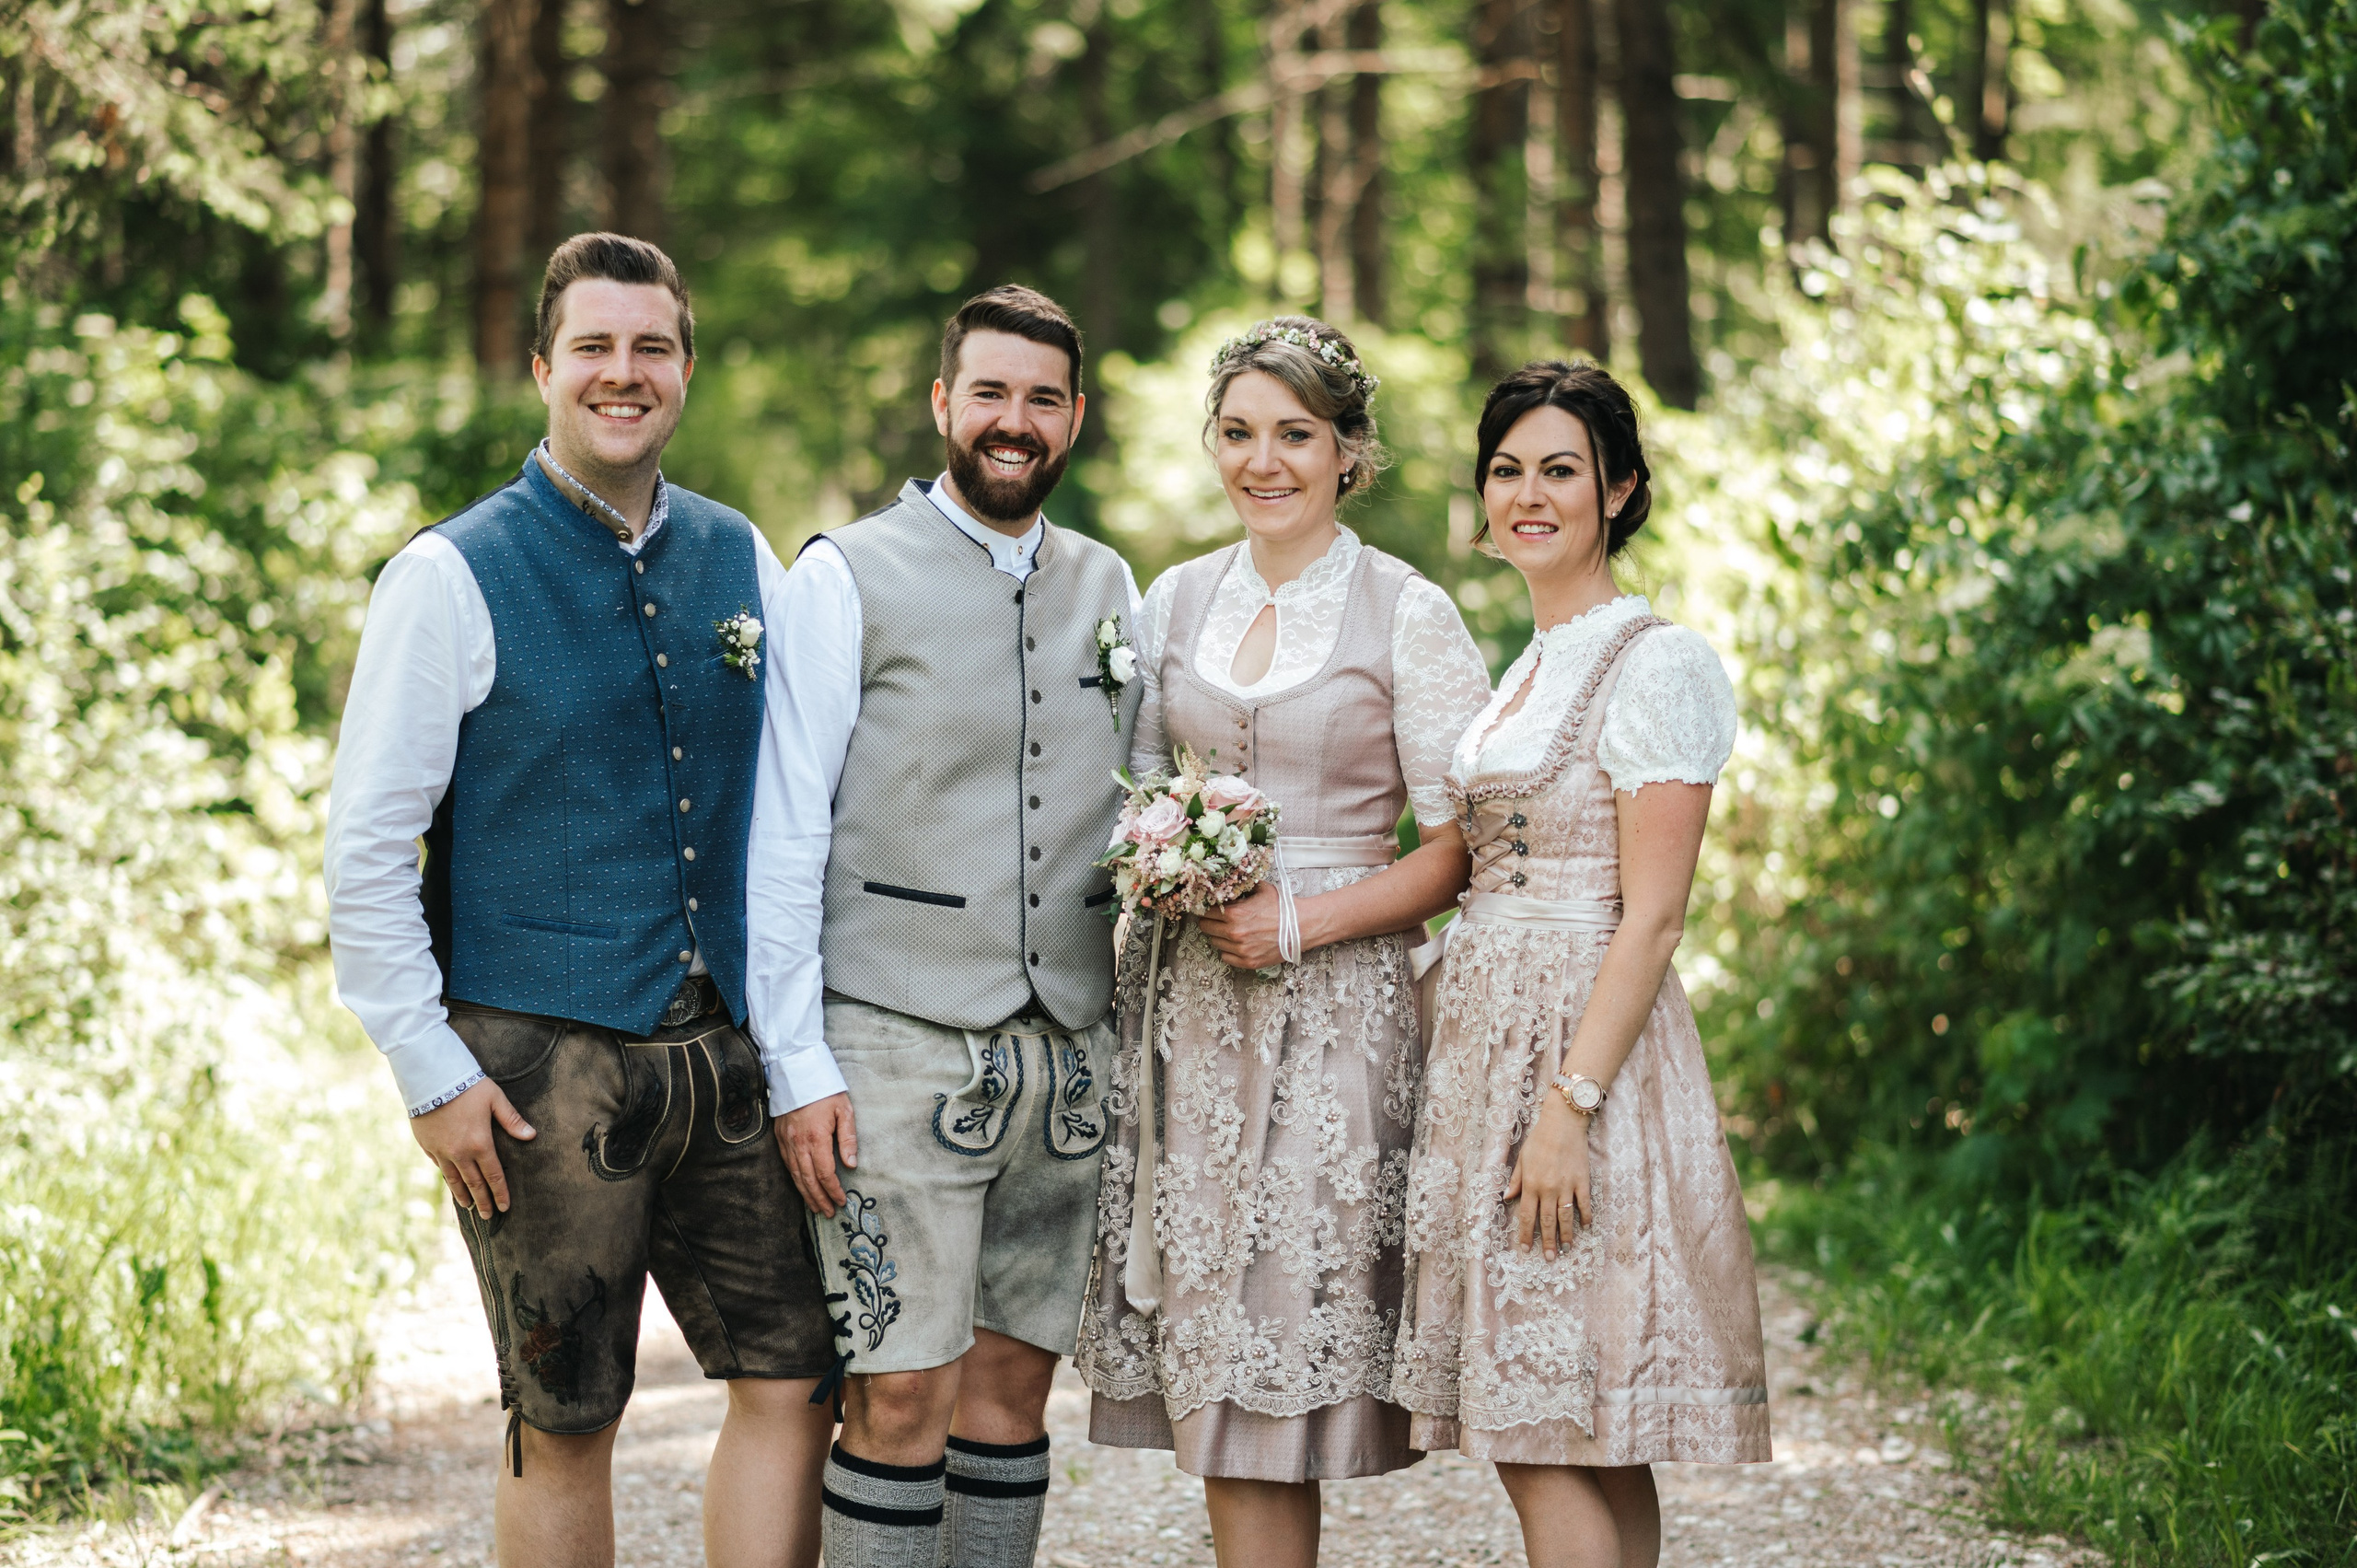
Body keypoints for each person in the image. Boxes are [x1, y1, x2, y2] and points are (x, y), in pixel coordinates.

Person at [323, 233, 837, 1568]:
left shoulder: (742, 557)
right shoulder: (448, 575)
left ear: (684, 370)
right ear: (545, 367)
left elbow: (799, 806)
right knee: (566, 1419)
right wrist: (427, 1068)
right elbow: (369, 845)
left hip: (725, 1052)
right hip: (539, 1068)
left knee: (796, 1378)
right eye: (595, 348)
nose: (625, 373)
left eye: (651, 347)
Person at [1075, 318, 1493, 1568]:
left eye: (1296, 436)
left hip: (1338, 1029)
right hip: (1191, 1025)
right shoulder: (1174, 598)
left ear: (1349, 453)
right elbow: (1133, 786)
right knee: (1211, 1352)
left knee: (1282, 1353)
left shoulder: (1407, 612)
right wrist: (1166, 859)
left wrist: (1304, 917)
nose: (1265, 462)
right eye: (1240, 433)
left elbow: (1462, 844)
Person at [751, 285, 1142, 1568]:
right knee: (899, 1396)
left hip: (1067, 1058)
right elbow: (786, 829)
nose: (1014, 422)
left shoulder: (1110, 583)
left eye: (1042, 399)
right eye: (990, 393)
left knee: (1013, 1394)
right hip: (894, 1042)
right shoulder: (841, 575)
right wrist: (796, 1062)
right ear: (942, 403)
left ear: (1074, 417)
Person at [1389, 360, 1771, 1568]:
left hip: (1578, 1059)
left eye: (1561, 470)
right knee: (1582, 1421)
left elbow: (1651, 916)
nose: (1529, 494)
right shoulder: (1529, 662)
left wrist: (1569, 1106)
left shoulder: (1654, 661)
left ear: (1620, 490)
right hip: (1489, 1045)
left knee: (1539, 1417)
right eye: (1508, 470)